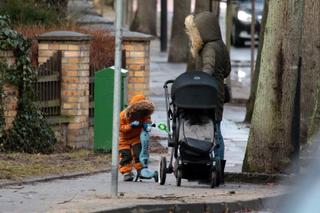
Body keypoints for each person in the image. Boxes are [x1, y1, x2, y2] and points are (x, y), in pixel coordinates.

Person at [185, 11, 231, 183]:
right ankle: (216, 170)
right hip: (216, 93)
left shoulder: (210, 48)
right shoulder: (221, 45)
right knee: (216, 130)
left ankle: (216, 170)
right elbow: (226, 70)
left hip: (208, 95)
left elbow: (208, 71)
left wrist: (197, 84)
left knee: (214, 132)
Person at [119, 95, 154, 181]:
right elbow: (121, 128)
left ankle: (141, 170)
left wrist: (147, 125)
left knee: (139, 153)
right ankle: (126, 172)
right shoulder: (123, 115)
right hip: (124, 140)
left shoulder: (144, 114)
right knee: (125, 156)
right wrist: (130, 125)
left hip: (136, 138)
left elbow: (148, 121)